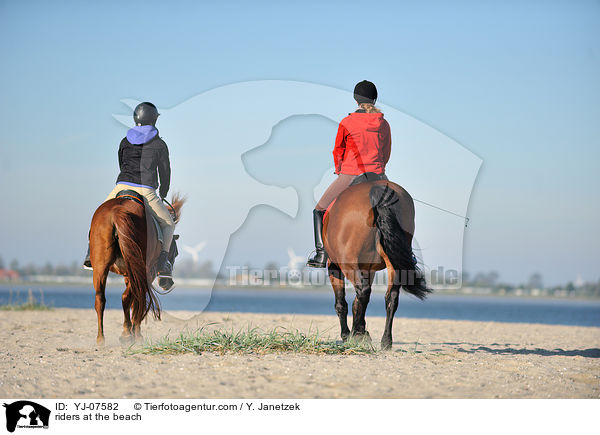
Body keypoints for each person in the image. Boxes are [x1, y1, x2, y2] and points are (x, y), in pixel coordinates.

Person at [83, 102, 176, 278]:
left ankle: (90, 254)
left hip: (122, 186)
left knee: (97, 217)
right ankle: (163, 261)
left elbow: (121, 164)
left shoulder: (125, 141)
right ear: (154, 119)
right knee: (168, 224)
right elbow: (165, 171)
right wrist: (164, 191)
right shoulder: (159, 144)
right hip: (146, 190)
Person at [307, 80, 391, 268]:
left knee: (319, 209)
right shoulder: (383, 123)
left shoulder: (347, 122)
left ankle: (321, 254)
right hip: (378, 175)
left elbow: (338, 150)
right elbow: (386, 151)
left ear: (355, 100)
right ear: (375, 99)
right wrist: (379, 168)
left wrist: (340, 170)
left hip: (351, 174)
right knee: (396, 210)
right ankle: (407, 253)